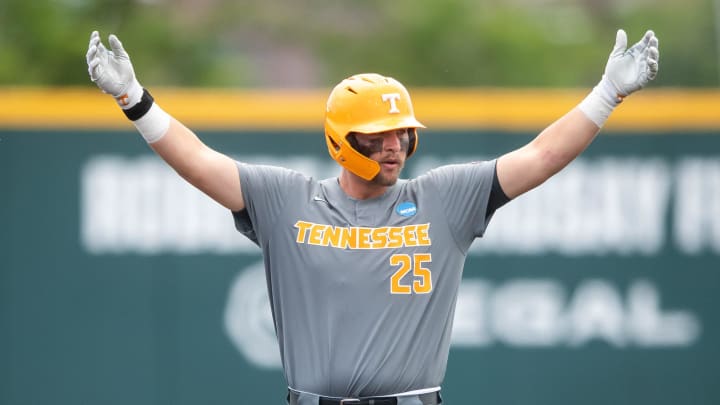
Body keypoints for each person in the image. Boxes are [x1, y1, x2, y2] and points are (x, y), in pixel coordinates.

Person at [86, 28, 659, 405]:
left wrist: (608, 93)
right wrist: (134, 97)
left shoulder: (443, 199)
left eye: (402, 133)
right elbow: (200, 162)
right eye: (378, 135)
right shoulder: (288, 200)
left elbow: (539, 156)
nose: (394, 145)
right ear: (342, 140)